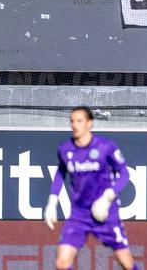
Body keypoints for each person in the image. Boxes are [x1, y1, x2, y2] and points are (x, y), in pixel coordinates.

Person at [43, 106, 138, 270]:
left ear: (89, 123)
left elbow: (124, 173)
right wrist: (52, 201)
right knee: (62, 263)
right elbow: (61, 172)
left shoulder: (105, 146)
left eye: (79, 121)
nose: (74, 125)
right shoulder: (65, 149)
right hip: (79, 214)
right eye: (72, 121)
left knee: (126, 263)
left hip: (105, 212)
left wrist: (108, 197)